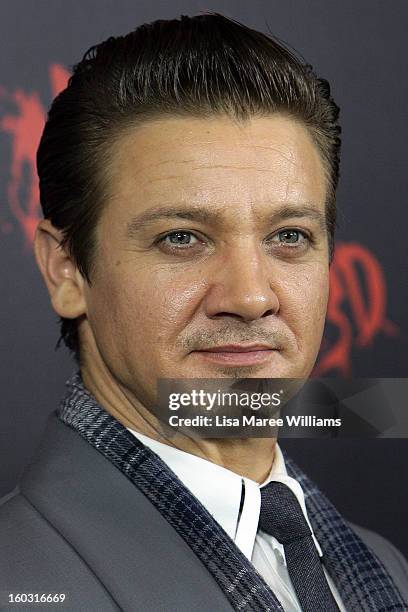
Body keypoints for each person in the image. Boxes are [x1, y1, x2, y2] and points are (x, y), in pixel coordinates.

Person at [0, 13, 407, 612]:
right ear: (67, 271)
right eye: (182, 238)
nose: (249, 297)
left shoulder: (385, 569)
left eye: (289, 236)